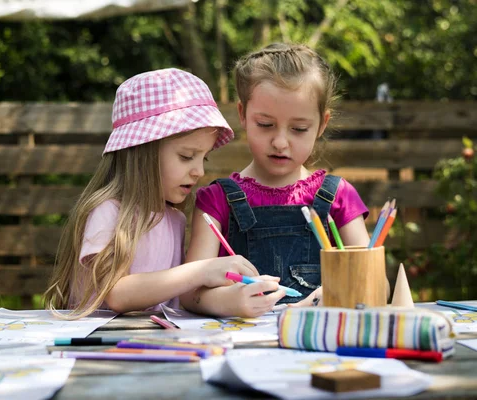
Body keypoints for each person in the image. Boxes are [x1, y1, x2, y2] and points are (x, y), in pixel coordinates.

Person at [43, 68, 278, 319]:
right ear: (143, 152)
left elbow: (171, 295)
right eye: (186, 156)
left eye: (204, 158)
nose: (199, 171)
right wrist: (201, 271)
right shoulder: (108, 212)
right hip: (99, 345)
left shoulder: (174, 219)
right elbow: (116, 294)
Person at [180, 43, 371, 317]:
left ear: (322, 124)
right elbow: (189, 293)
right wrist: (229, 301)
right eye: (266, 125)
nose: (280, 142)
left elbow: (373, 282)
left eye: (299, 129)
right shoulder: (216, 200)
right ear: (243, 115)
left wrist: (337, 294)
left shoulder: (339, 196)